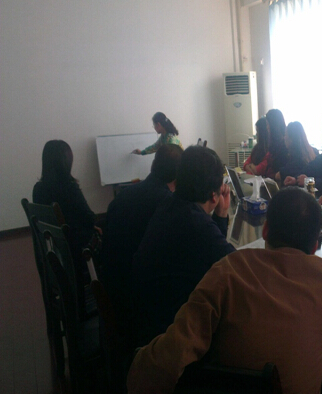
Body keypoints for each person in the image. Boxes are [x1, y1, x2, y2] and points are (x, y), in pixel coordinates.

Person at [127, 187, 322, 394]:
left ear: (265, 230)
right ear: (315, 246)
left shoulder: (229, 270)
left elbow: (173, 353)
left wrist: (136, 370)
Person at [131, 145, 236, 344]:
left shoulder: (169, 204)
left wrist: (220, 216)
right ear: (214, 196)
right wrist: (221, 217)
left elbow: (216, 259)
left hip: (142, 315)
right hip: (168, 335)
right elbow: (235, 268)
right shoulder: (197, 224)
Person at [101, 144, 183, 307]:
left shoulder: (123, 195)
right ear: (179, 175)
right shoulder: (168, 204)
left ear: (153, 165)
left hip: (112, 291)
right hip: (141, 301)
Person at [33, 140, 99, 259]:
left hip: (54, 245)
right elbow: (89, 218)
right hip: (75, 245)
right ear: (66, 162)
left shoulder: (38, 189)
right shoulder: (70, 188)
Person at [251, 109, 288, 179]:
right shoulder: (273, 145)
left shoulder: (283, 146)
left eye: (268, 125)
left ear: (273, 126)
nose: (267, 128)